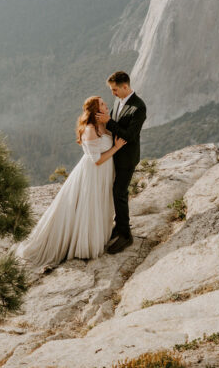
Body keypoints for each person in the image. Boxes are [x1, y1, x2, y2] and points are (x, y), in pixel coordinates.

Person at [16, 96, 126, 267]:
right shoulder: (90, 130)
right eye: (103, 104)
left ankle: (97, 236)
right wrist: (116, 148)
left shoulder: (103, 125)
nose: (106, 105)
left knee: (100, 204)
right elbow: (96, 160)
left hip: (104, 172)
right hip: (93, 173)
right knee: (89, 205)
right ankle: (85, 244)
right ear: (96, 110)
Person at [95, 71, 147, 254]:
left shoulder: (139, 107)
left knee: (119, 192)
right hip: (115, 155)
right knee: (116, 191)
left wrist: (108, 122)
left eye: (115, 89)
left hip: (127, 157)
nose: (113, 93)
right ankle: (119, 226)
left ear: (125, 86)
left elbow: (130, 136)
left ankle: (126, 235)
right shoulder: (119, 102)